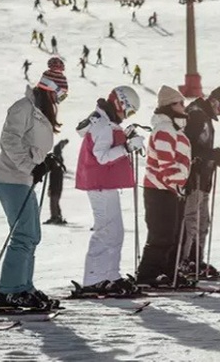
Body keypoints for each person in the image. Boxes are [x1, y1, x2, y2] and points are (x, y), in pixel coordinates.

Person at [0, 64, 67, 310]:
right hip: (11, 179)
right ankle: (9, 290)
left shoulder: (39, 111)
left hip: (23, 180)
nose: (60, 100)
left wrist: (45, 161)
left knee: (32, 235)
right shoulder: (23, 107)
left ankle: (24, 286)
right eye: (61, 94)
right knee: (23, 234)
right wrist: (30, 166)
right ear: (51, 88)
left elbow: (30, 145)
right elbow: (9, 140)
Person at [74, 86, 143, 294]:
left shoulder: (106, 122)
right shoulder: (103, 125)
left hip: (104, 183)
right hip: (100, 184)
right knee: (106, 230)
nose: (126, 116)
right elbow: (102, 156)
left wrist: (125, 137)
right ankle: (93, 279)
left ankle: (110, 275)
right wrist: (127, 147)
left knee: (115, 231)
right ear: (119, 103)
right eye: (128, 111)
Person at [136, 86, 193, 287]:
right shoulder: (164, 130)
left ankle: (168, 270)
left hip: (169, 189)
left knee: (173, 234)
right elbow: (166, 163)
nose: (184, 107)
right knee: (162, 234)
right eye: (180, 103)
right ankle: (147, 274)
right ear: (170, 106)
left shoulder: (173, 128)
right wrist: (175, 184)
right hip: (160, 190)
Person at [181, 86, 220, 277]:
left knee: (203, 221)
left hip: (203, 178)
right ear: (215, 101)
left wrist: (216, 158)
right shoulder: (196, 115)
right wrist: (212, 155)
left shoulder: (202, 115)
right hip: (193, 176)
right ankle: (184, 262)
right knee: (192, 220)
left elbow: (201, 148)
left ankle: (196, 260)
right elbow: (189, 148)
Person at [45, 139, 69, 224]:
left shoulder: (56, 163)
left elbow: (57, 149)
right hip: (56, 183)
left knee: (53, 200)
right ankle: (57, 216)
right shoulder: (58, 163)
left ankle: (55, 217)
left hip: (55, 184)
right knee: (55, 200)